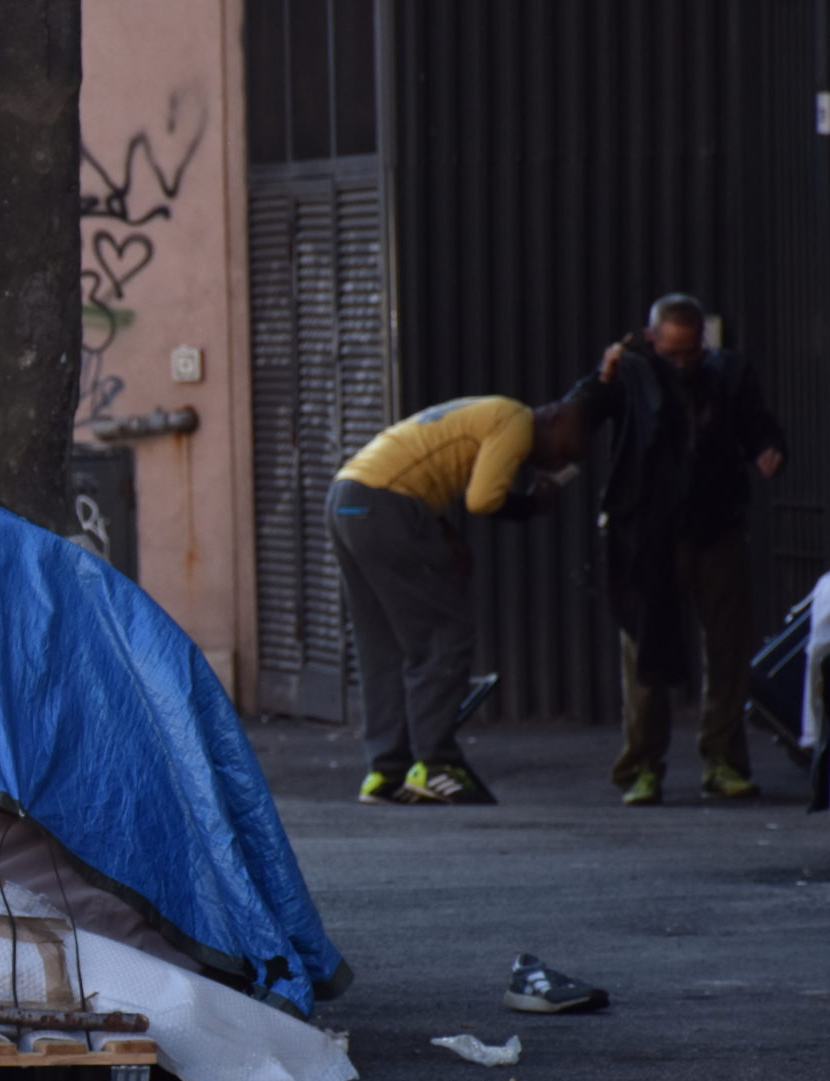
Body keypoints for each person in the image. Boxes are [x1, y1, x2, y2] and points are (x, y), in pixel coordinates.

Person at [567, 295, 786, 806]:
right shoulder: (632, 374)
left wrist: (768, 448)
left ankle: (723, 761)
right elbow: (582, 412)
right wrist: (604, 375)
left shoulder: (727, 373)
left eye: (691, 352)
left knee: (727, 648)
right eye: (672, 354)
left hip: (714, 523)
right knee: (646, 649)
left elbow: (757, 423)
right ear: (652, 340)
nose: (683, 363)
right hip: (649, 532)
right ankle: (642, 765)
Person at [327, 395, 589, 805]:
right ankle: (436, 764)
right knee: (444, 634)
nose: (559, 460)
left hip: (347, 498)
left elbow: (423, 472)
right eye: (567, 447)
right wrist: (531, 504)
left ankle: (386, 770)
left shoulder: (481, 411)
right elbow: (483, 498)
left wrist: (444, 533)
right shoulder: (516, 420)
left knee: (382, 643)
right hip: (387, 506)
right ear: (554, 418)